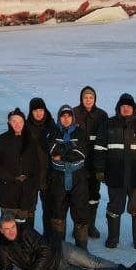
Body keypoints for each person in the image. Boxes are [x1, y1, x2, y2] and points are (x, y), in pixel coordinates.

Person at [0, 217, 136, 270]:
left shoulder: (26, 232)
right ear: (1, 230)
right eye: (6, 229)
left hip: (60, 251)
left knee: (93, 262)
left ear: (16, 225)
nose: (10, 232)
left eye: (12, 227)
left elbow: (45, 250)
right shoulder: (2, 248)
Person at [100, 93, 136, 251]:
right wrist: (100, 170)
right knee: (115, 207)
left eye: (129, 106)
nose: (126, 109)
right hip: (115, 175)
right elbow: (100, 149)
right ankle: (113, 238)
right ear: (118, 108)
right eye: (123, 106)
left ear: (134, 108)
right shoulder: (108, 124)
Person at [0, 108, 44, 230]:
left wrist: (35, 185)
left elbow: (37, 165)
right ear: (9, 122)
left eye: (20, 121)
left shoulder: (30, 141)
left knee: (25, 226)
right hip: (8, 190)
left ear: (24, 123)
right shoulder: (1, 140)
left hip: (27, 191)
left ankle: (26, 247)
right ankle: (6, 248)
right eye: (14, 121)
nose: (17, 124)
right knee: (8, 225)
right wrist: (8, 177)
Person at [46, 105, 91, 248]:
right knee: (58, 212)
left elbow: (82, 153)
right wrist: (72, 147)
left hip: (78, 177)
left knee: (80, 212)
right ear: (59, 118)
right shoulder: (53, 132)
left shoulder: (81, 133)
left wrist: (63, 152)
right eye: (63, 116)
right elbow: (52, 151)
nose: (66, 119)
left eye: (68, 116)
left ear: (72, 117)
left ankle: (82, 249)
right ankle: (60, 249)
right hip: (58, 177)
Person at [73, 85, 109, 238]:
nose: (88, 100)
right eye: (85, 97)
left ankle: (91, 226)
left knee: (94, 196)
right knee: (79, 196)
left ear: (95, 99)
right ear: (81, 99)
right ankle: (79, 227)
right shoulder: (73, 113)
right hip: (78, 162)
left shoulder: (102, 115)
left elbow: (106, 139)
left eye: (91, 98)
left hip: (95, 162)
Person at [25, 97, 57, 232]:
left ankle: (48, 238)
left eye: (41, 110)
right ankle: (29, 238)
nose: (38, 113)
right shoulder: (25, 127)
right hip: (31, 176)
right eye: (35, 110)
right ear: (31, 112)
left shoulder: (52, 126)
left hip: (48, 175)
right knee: (29, 209)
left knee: (49, 208)